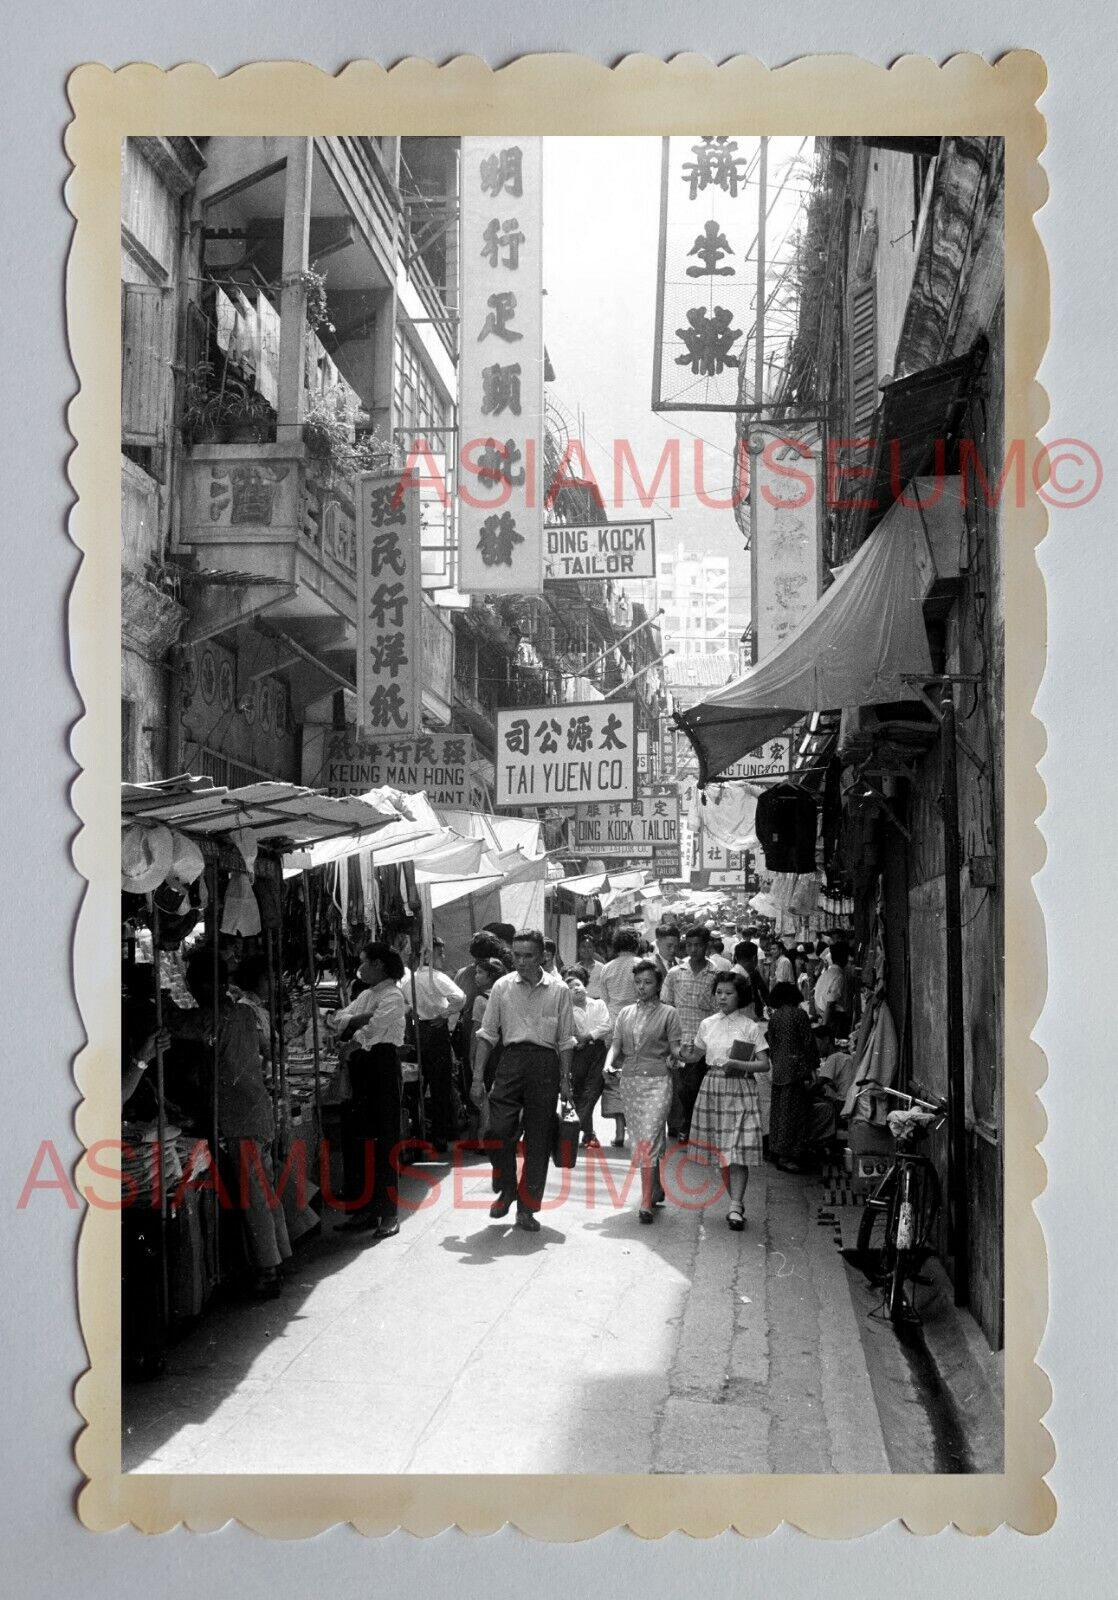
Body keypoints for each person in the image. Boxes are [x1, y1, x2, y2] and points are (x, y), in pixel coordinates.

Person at [179, 947, 292, 1294]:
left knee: (254, 1193)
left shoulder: (212, 1017)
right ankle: (279, 1255)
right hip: (255, 1111)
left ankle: (268, 1270)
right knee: (264, 1187)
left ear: (198, 983)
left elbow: (174, 1023)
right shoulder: (243, 1013)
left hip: (239, 1117)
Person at [471, 929, 575, 1232]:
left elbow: (566, 1040)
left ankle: (527, 1209)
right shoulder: (502, 987)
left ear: (542, 955)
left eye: (528, 956)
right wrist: (478, 1078)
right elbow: (487, 1035)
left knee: (538, 1140)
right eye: (516, 955)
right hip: (510, 1061)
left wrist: (566, 1081)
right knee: (495, 1131)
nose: (521, 962)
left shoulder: (559, 990)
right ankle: (506, 1186)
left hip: (545, 1064)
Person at [326, 942, 408, 1237]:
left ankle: (388, 1213)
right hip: (360, 1066)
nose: (359, 968)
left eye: (364, 962)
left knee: (384, 1139)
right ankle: (362, 1209)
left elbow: (370, 1029)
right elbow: (337, 1019)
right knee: (357, 1139)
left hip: (382, 1066)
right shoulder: (366, 995)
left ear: (380, 965)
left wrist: (353, 1033)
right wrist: (353, 1024)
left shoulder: (393, 995)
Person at [682, 972, 771, 1231]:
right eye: (719, 992)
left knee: (738, 1149)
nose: (722, 997)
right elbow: (695, 1055)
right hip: (713, 1087)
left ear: (740, 996)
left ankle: (735, 1204)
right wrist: (683, 1053)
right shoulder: (707, 1024)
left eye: (728, 993)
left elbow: (764, 1064)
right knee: (724, 1150)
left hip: (741, 1088)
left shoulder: (749, 1026)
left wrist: (737, 1064)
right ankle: (736, 1202)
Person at [602, 960, 681, 1223]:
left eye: (647, 983)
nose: (642, 987)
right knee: (645, 1138)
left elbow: (676, 1049)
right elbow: (616, 1043)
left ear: (658, 985)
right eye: (638, 983)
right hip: (631, 1082)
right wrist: (608, 1063)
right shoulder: (625, 1013)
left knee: (648, 1136)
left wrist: (684, 1055)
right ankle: (656, 1188)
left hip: (658, 1082)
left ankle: (645, 1201)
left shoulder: (669, 1013)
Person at [398, 937, 466, 1153]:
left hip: (414, 1031)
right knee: (439, 1087)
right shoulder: (437, 977)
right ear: (426, 955)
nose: (443, 958)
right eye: (439, 954)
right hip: (435, 1033)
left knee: (415, 1088)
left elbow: (405, 1005)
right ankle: (439, 1136)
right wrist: (444, 1014)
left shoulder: (407, 980)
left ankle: (417, 1135)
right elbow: (460, 998)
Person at [661, 926, 719, 1141]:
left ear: (706, 946)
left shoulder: (716, 975)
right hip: (680, 1040)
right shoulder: (675, 974)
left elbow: (721, 1008)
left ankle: (692, 1125)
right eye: (690, 945)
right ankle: (684, 1123)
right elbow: (666, 1006)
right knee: (683, 1088)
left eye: (698, 945)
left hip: (706, 1041)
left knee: (699, 1087)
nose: (693, 950)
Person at [766, 980, 821, 1171]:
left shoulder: (775, 1017)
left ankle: (776, 1150)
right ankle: (787, 1155)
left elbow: (771, 1043)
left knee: (779, 1111)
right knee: (793, 1114)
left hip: (779, 1069)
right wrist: (813, 1068)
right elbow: (808, 1042)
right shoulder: (799, 1014)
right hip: (796, 1069)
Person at [564, 964, 612, 1147]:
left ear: (584, 985)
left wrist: (588, 1035)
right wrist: (578, 1041)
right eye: (570, 987)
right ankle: (588, 1133)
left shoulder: (598, 1004)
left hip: (598, 1051)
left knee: (592, 1091)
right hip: (578, 1054)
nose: (575, 988)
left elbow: (606, 1025)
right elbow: (568, 1033)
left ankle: (570, 1131)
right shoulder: (567, 1011)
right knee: (577, 1091)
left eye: (577, 984)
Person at [813, 938, 852, 1036]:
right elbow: (830, 1003)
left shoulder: (827, 973)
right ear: (845, 958)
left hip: (823, 1014)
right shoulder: (839, 976)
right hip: (834, 1019)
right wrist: (825, 1027)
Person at [576, 930, 606, 998]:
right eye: (583, 947)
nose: (586, 950)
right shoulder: (575, 969)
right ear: (579, 949)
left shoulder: (602, 968)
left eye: (589, 947)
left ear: (594, 949)